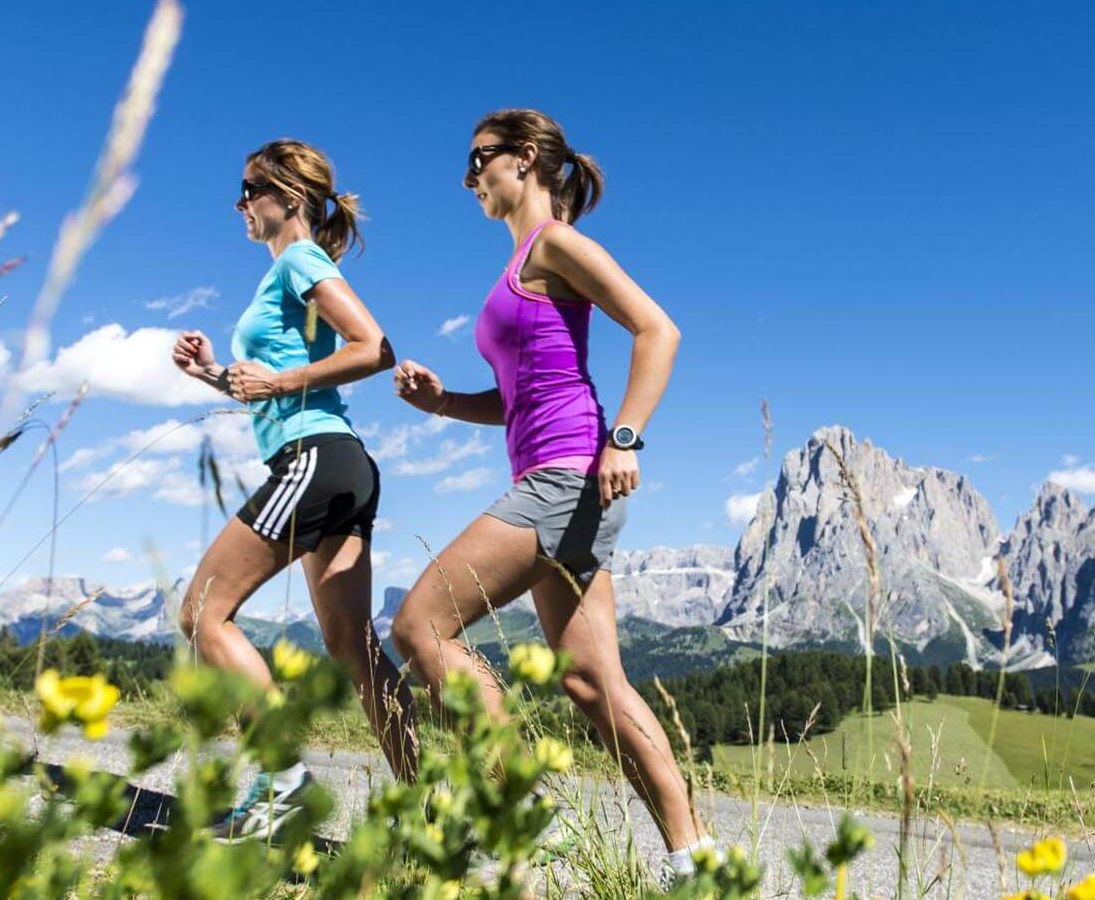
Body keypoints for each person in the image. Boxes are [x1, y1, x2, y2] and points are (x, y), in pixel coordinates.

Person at [390, 109, 709, 881]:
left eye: (478, 162)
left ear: (524, 158)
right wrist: (442, 404)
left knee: (419, 626)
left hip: (567, 479)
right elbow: (519, 397)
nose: (469, 180)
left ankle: (522, 812)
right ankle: (698, 862)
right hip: (556, 476)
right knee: (590, 680)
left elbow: (657, 330)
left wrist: (625, 436)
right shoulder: (521, 265)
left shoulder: (557, 245)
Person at [170, 138, 417, 842]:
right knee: (353, 649)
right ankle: (435, 812)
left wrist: (275, 381)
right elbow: (273, 382)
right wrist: (216, 374)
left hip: (314, 459)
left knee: (201, 613)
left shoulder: (301, 261)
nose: (240, 202)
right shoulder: (285, 273)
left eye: (250, 188)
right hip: (341, 464)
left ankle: (282, 785)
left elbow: (374, 346)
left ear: (290, 199)